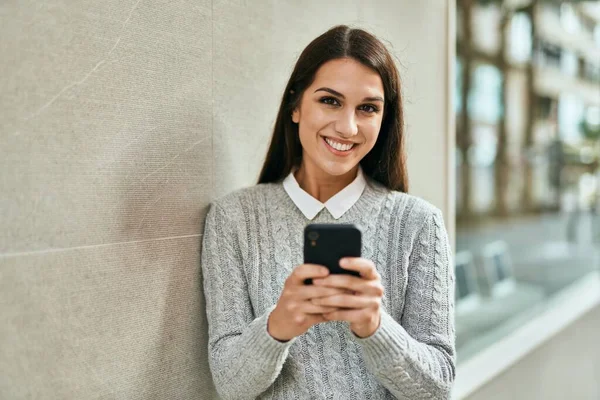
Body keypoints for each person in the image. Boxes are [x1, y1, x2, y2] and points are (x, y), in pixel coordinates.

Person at [201, 25, 455, 399]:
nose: (348, 126)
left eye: (367, 108)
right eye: (330, 101)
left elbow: (436, 389)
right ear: (295, 106)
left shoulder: (418, 223)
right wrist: (278, 325)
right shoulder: (233, 219)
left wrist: (375, 325)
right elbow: (229, 384)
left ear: (384, 120)